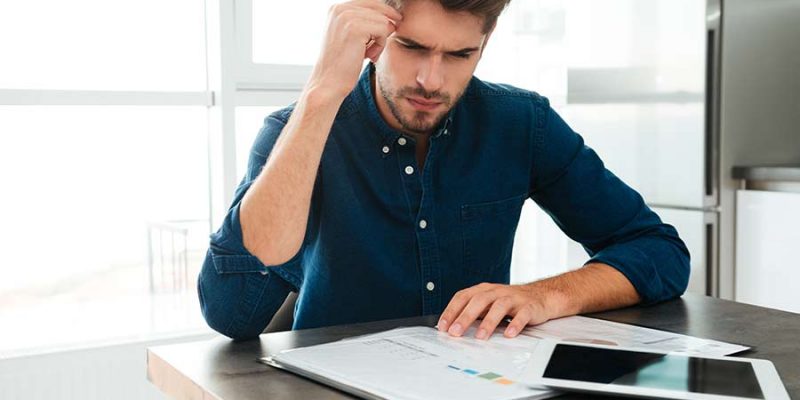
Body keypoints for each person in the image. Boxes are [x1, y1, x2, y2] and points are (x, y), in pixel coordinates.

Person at [198, 0, 690, 341]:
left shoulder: (522, 123)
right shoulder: (296, 129)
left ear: (487, 39)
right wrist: (322, 94)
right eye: (411, 46)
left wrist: (546, 296)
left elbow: (660, 252)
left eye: (459, 55)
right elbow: (229, 312)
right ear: (374, 31)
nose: (430, 81)